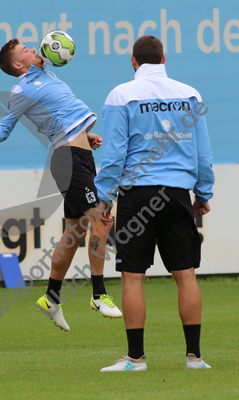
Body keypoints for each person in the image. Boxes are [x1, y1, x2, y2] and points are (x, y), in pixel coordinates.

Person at [0, 38, 122, 332]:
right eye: (26, 51)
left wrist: (84, 136)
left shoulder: (47, 75)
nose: (34, 50)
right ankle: (98, 294)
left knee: (75, 231)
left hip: (78, 153)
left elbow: (59, 116)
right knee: (102, 221)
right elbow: (6, 127)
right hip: (68, 159)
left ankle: (52, 297)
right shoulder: (22, 88)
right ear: (19, 64)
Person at [94, 35, 215, 371]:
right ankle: (195, 358)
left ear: (133, 61)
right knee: (186, 276)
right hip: (177, 194)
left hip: (137, 195)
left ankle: (136, 359)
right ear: (164, 59)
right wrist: (203, 193)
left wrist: (105, 198)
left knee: (133, 278)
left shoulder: (122, 94)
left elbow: (115, 154)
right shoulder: (190, 95)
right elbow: (202, 153)